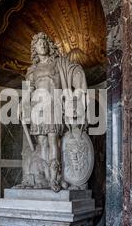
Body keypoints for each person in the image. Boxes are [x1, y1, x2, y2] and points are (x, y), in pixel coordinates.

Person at [22, 32, 88, 191]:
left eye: (44, 43)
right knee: (42, 142)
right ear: (35, 49)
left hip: (54, 105)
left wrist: (77, 92)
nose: (42, 46)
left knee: (53, 141)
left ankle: (54, 179)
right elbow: (27, 91)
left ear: (49, 46)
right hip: (38, 107)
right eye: (38, 44)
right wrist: (22, 105)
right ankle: (45, 177)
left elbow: (74, 71)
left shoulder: (59, 63)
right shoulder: (32, 70)